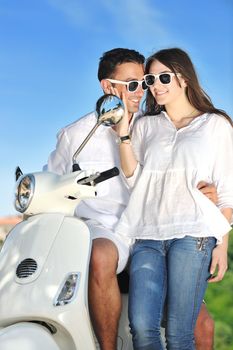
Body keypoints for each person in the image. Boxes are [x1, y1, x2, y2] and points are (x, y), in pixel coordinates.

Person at [45, 48, 216, 350]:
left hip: (156, 229)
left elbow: (188, 171)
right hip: (108, 229)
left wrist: (205, 191)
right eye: (133, 84)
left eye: (145, 82)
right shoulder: (74, 135)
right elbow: (51, 183)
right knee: (100, 254)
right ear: (108, 87)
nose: (142, 92)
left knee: (203, 327)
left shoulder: (156, 127)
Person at [115, 47, 233, 350]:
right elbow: (132, 178)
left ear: (184, 78)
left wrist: (222, 244)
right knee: (141, 327)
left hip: (194, 236)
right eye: (151, 79)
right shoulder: (146, 125)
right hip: (147, 236)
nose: (155, 85)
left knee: (181, 333)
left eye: (163, 76)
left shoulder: (215, 124)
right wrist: (124, 135)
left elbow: (227, 189)